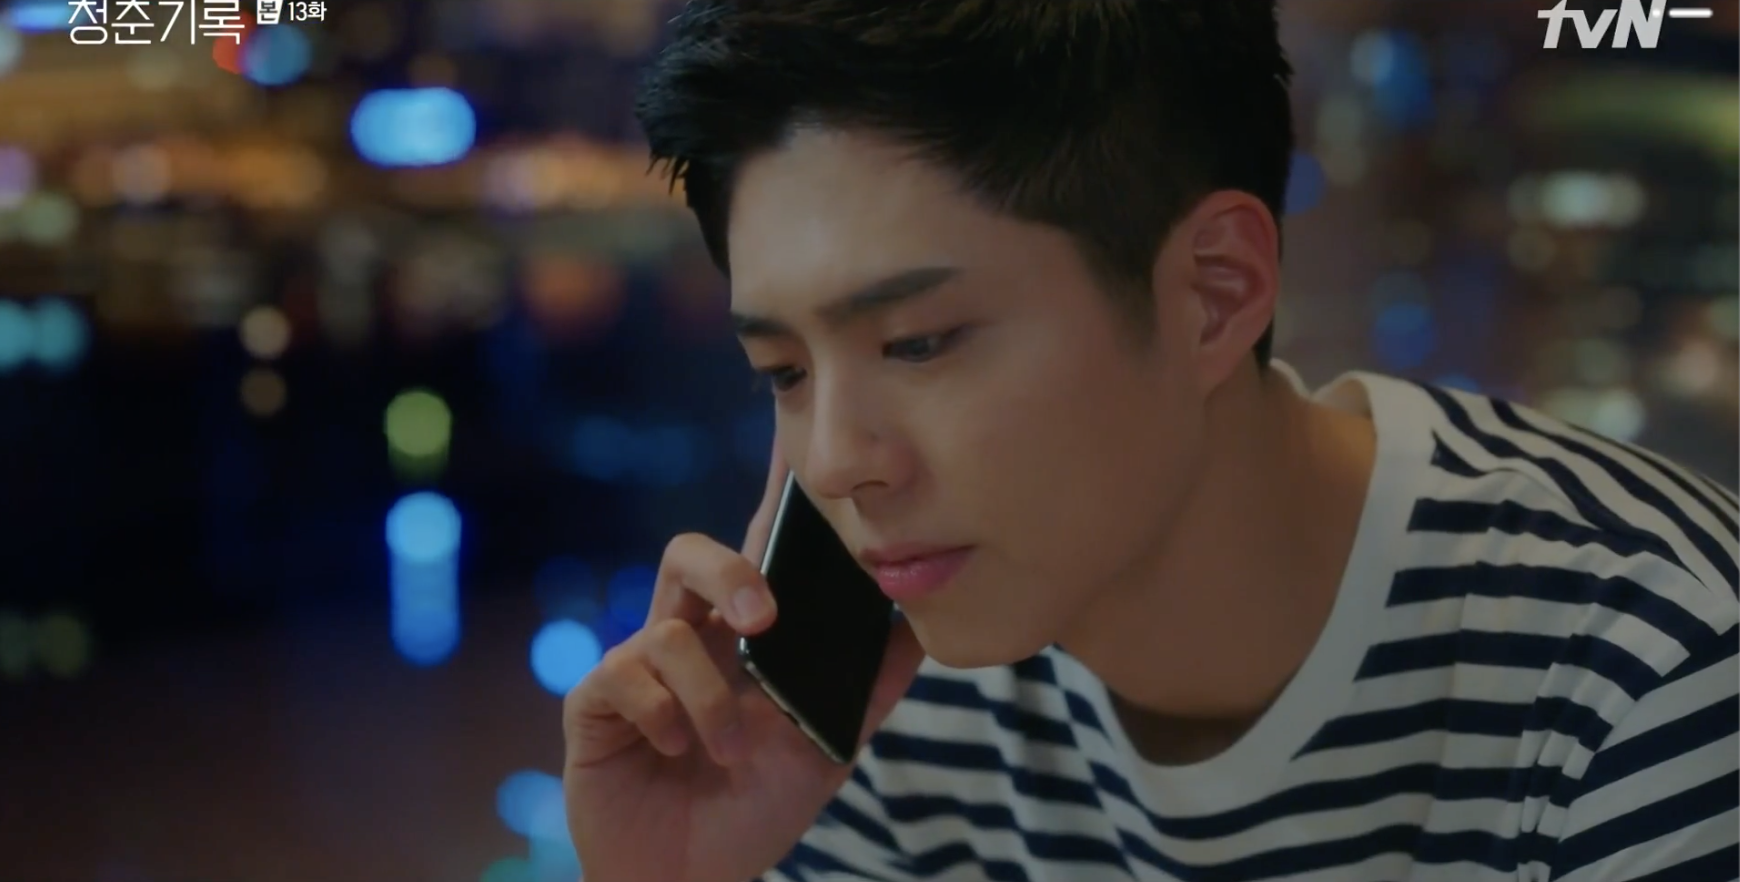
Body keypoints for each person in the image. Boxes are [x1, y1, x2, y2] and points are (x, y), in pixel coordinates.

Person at [562, 2, 1740, 880]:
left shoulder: (1653, 669)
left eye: (918, 343)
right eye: (784, 371)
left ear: (1214, 295)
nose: (833, 462)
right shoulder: (871, 712)